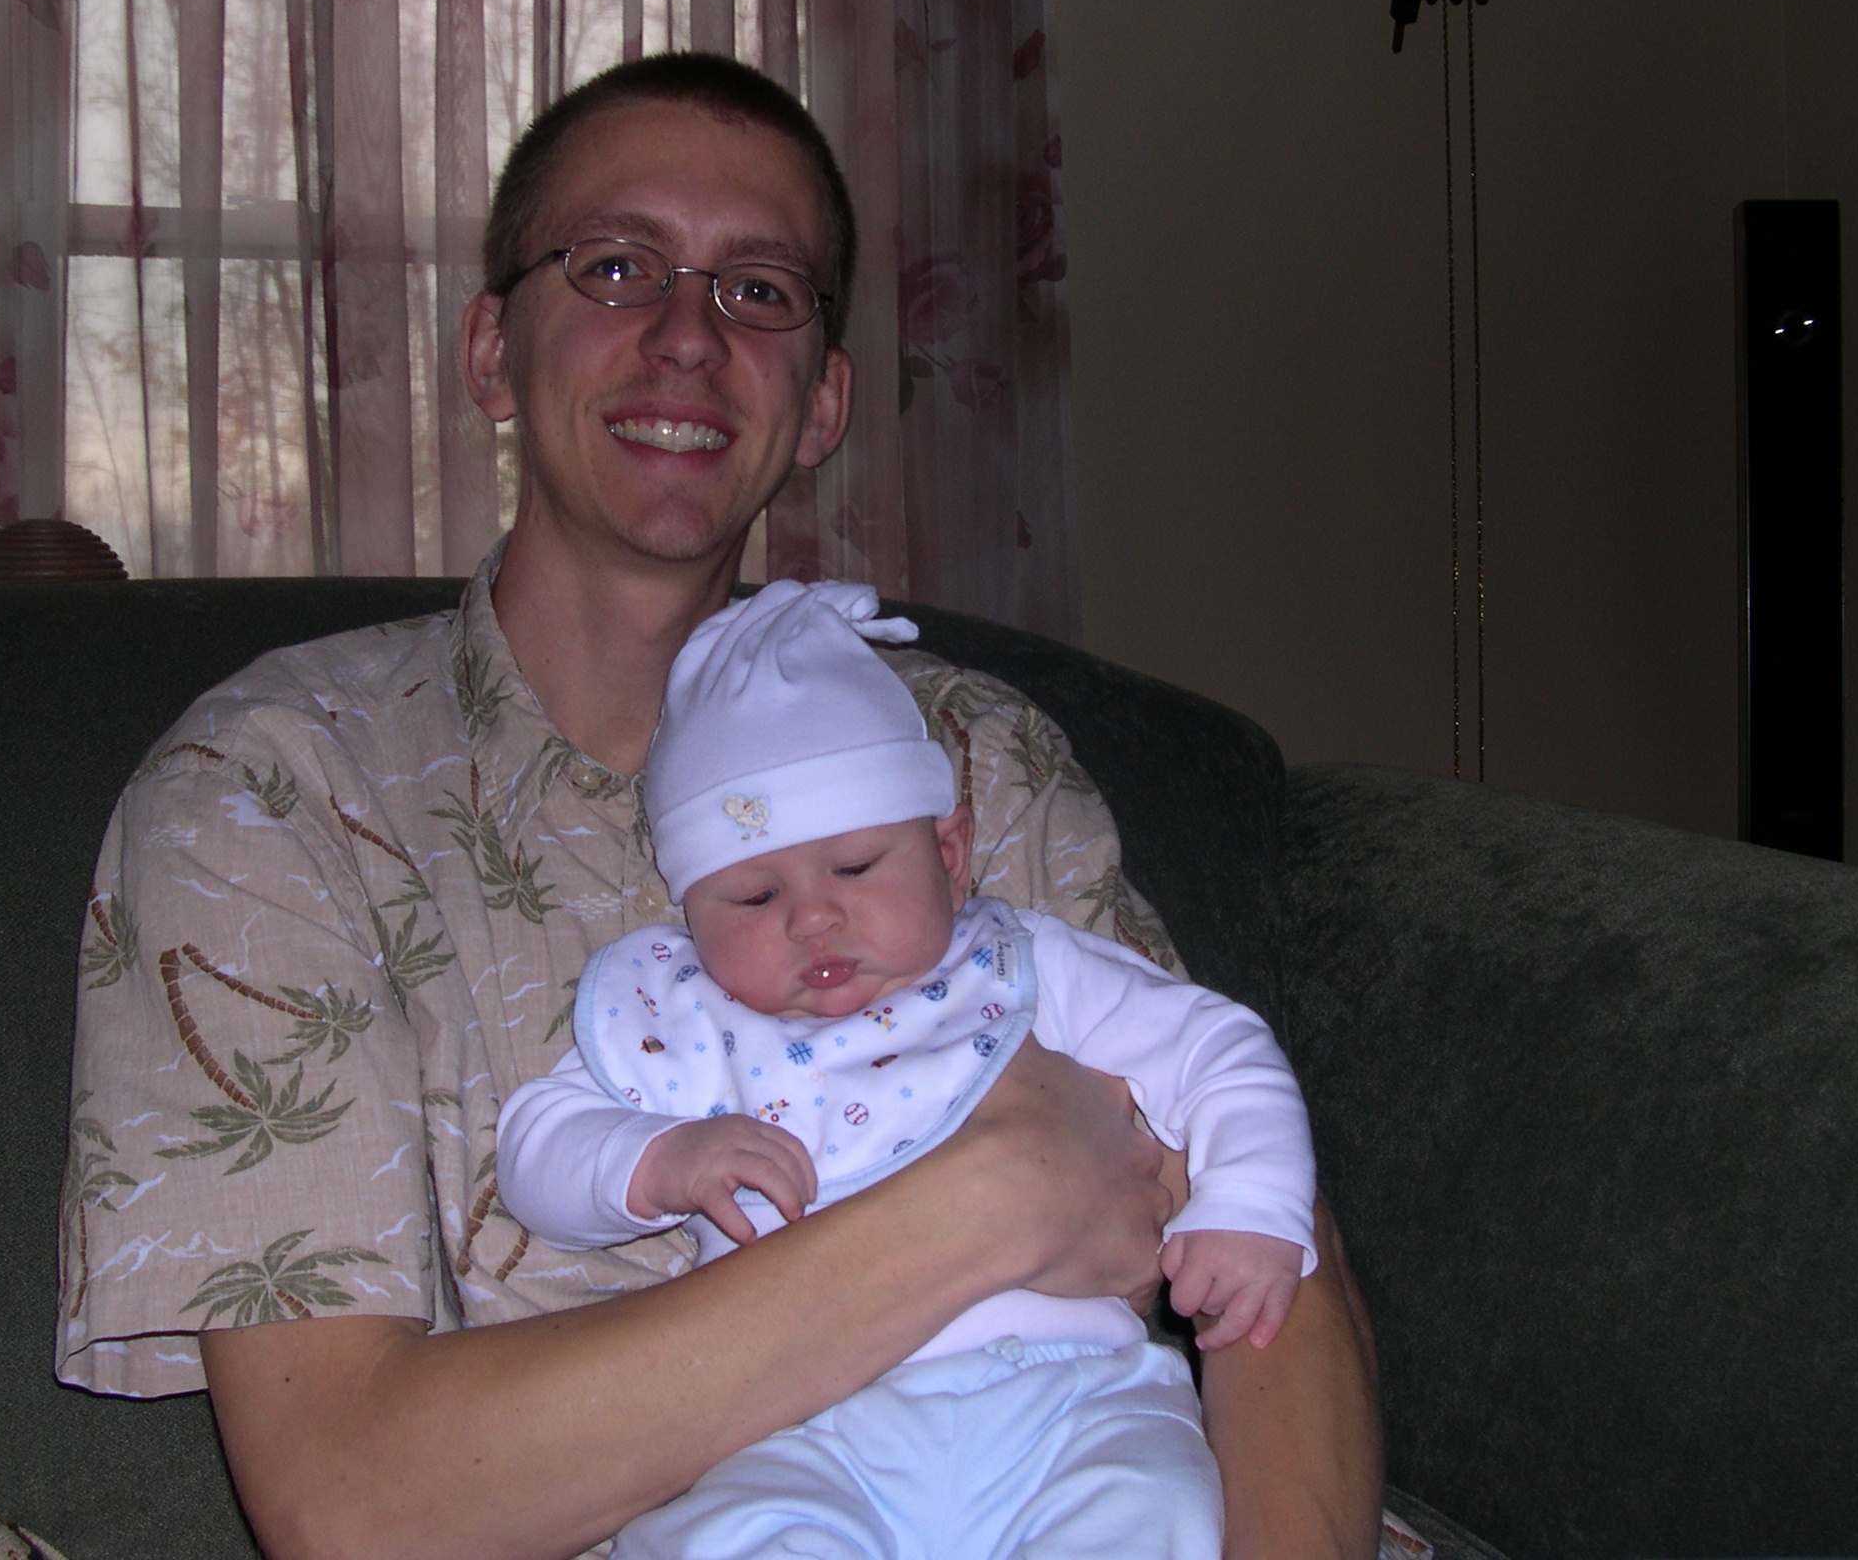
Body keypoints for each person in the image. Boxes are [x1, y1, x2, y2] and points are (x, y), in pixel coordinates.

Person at [57, 51, 1380, 1560]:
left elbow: (1265, 1228)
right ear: (492, 350)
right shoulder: (272, 789)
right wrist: (998, 1197)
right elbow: (355, 1504)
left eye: (759, 292)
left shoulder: (976, 757)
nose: (686, 336)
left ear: (821, 403)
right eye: (615, 266)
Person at [498, 578, 1319, 1558]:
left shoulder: (1025, 965)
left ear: (950, 852)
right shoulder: (684, 1012)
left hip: (1066, 1401)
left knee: (1149, 1518)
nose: (812, 917)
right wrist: (658, 1160)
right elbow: (536, 1146)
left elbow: (1217, 1050)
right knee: (729, 1538)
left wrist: (1252, 1204)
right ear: (686, 914)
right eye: (753, 895)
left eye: (855, 867)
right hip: (790, 1423)